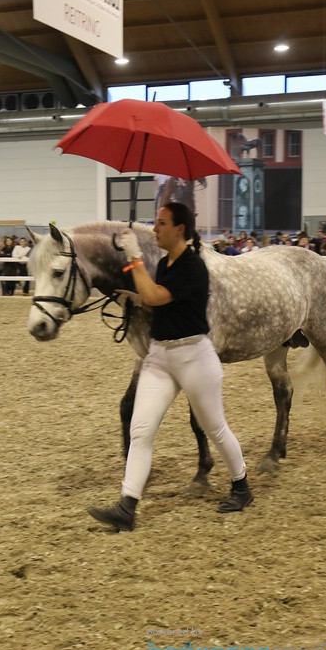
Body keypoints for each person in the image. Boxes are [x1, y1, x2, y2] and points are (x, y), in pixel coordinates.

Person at [87, 202, 252, 532]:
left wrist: (134, 256)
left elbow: (158, 295)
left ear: (180, 229)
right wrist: (130, 296)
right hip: (160, 357)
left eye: (161, 223)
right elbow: (149, 299)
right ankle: (127, 506)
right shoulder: (164, 263)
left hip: (194, 357)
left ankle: (241, 486)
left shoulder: (194, 266)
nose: (155, 228)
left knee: (215, 428)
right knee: (141, 431)